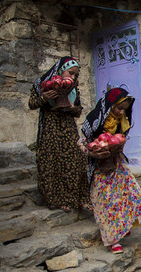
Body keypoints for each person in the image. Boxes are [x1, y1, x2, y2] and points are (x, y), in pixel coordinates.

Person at [80, 87, 141, 254]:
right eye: (119, 107)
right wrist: (92, 151)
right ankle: (113, 240)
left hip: (117, 164)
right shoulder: (95, 119)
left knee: (130, 192)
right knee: (105, 202)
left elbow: (120, 139)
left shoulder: (121, 122)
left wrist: (117, 144)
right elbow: (81, 142)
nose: (121, 111)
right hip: (98, 167)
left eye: (124, 108)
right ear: (110, 105)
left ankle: (123, 225)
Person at [28, 56, 90, 212]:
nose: (73, 77)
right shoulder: (42, 85)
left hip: (68, 128)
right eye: (70, 73)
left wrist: (70, 106)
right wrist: (44, 98)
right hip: (51, 128)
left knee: (76, 160)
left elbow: (78, 111)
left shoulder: (73, 89)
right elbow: (32, 104)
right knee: (53, 161)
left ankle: (78, 198)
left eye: (75, 75)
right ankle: (57, 200)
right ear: (61, 70)